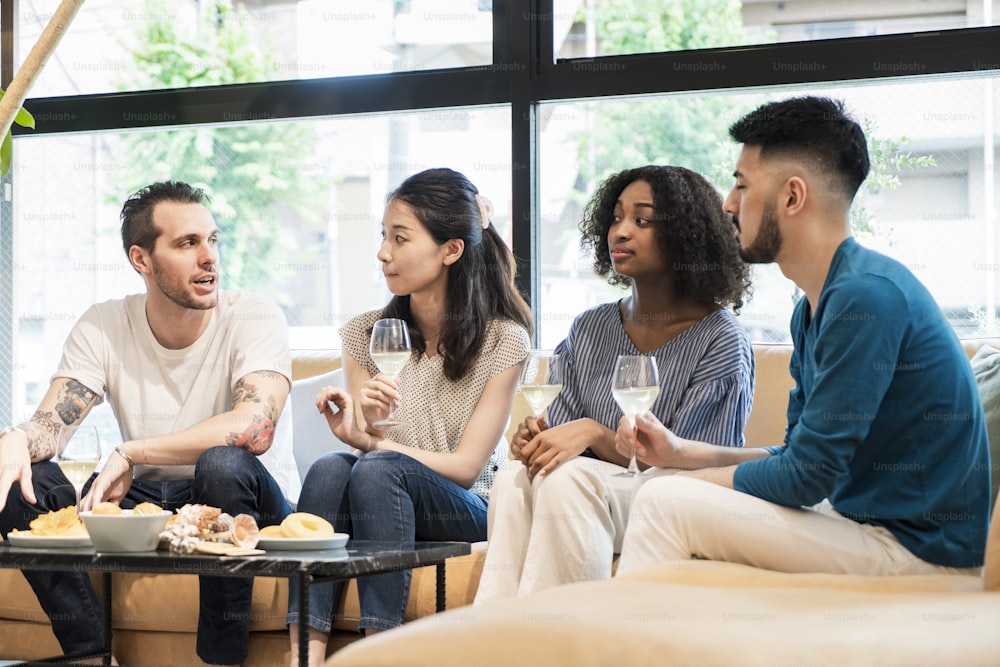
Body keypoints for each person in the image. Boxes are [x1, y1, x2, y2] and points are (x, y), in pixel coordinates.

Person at [615, 96, 991, 578]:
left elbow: (805, 479)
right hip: (860, 525)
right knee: (667, 487)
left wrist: (685, 481)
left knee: (664, 500)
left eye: (742, 184)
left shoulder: (865, 298)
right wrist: (681, 453)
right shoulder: (815, 306)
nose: (729, 203)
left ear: (793, 197)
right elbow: (800, 456)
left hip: (922, 552)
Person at [0, 181, 296, 667]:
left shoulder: (254, 315)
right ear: (141, 260)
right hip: (144, 503)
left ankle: (221, 661)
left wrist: (133, 450)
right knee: (19, 479)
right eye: (187, 243)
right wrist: (15, 438)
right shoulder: (104, 324)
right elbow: (52, 425)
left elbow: (254, 428)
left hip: (239, 497)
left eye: (213, 240)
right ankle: (91, 654)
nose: (209, 258)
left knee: (222, 463)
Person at [286, 167, 532, 665]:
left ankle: (379, 650)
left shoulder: (504, 341)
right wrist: (360, 427)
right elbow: (365, 440)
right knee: (331, 467)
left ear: (451, 250)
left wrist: (374, 446)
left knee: (375, 467)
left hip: (466, 506)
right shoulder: (366, 333)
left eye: (400, 238)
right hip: (386, 492)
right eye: (383, 236)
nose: (383, 253)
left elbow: (466, 468)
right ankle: (303, 655)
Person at [474, 165, 754, 602]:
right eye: (617, 217)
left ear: (686, 235)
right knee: (514, 477)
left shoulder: (720, 339)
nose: (620, 232)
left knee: (569, 481)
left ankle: (571, 642)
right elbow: (563, 442)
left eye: (642, 220)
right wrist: (540, 440)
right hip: (591, 492)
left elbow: (696, 469)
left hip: (672, 501)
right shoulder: (590, 328)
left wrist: (594, 432)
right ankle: (496, 642)